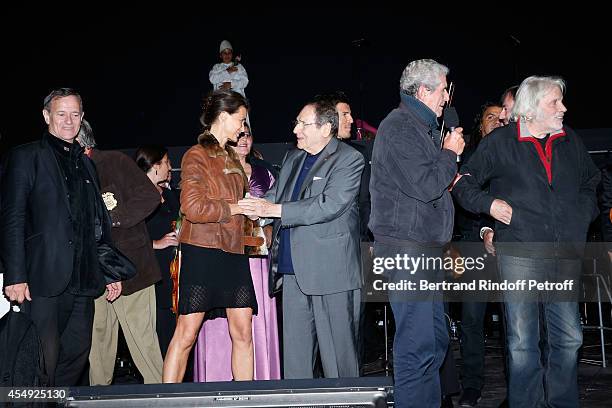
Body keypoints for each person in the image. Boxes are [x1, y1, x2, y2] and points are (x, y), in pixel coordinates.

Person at [452, 76, 600, 407]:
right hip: (519, 255)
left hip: (564, 254)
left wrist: (582, 214)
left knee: (569, 338)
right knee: (522, 342)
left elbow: (592, 179)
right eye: (555, 102)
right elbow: (463, 182)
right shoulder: (500, 142)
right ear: (531, 109)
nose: (563, 108)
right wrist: (488, 205)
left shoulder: (569, 139)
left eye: (561, 101)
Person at [0, 88, 122, 386]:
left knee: (76, 357)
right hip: (41, 279)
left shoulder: (86, 164)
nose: (69, 121)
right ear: (46, 116)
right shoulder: (26, 156)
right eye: (61, 113)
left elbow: (96, 224)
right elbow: (11, 218)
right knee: (42, 360)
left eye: (75, 114)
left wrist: (109, 271)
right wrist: (14, 276)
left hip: (82, 281)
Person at [238, 98, 365, 379]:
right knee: (295, 361)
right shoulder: (293, 157)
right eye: (296, 123)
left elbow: (328, 204)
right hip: (292, 270)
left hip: (330, 273)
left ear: (325, 128)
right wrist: (250, 208)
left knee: (337, 361)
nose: (295, 129)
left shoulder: (349, 159)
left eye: (302, 124)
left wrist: (273, 209)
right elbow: (277, 197)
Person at [368, 59, 465, 408]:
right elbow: (426, 185)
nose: (446, 98)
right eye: (443, 90)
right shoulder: (399, 128)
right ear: (423, 91)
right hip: (408, 253)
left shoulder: (420, 129)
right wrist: (450, 154)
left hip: (424, 252)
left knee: (434, 342)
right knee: (417, 348)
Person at [163, 89, 257, 383]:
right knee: (187, 333)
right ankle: (167, 401)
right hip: (202, 251)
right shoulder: (196, 154)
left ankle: (246, 398)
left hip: (233, 252)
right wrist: (235, 207)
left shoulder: (232, 156)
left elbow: (237, 205)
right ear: (224, 116)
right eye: (240, 120)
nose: (243, 128)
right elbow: (191, 207)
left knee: (243, 332)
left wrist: (251, 213)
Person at [77, 120, 164, 385]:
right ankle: (98, 400)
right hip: (94, 273)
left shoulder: (114, 162)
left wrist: (111, 219)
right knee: (98, 347)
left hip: (132, 270)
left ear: (79, 140)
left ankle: (163, 399)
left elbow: (150, 196)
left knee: (144, 344)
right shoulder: (69, 173)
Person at [194, 123, 281, 381]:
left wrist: (269, 230)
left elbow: (278, 209)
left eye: (248, 135)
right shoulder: (214, 168)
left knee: (254, 323)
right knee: (220, 321)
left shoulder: (266, 173)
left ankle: (259, 380)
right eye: (239, 134)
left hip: (256, 257)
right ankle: (217, 379)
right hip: (222, 253)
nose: (244, 140)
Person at [453, 103, 502, 407]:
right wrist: (485, 229)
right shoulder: (470, 160)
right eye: (490, 118)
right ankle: (471, 384)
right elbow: (462, 203)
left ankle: (521, 386)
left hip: (516, 245)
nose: (497, 122)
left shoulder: (517, 155)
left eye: (502, 118)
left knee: (518, 322)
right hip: (475, 245)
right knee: (472, 319)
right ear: (480, 126)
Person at [134, 145, 179, 359]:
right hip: (153, 275)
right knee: (158, 335)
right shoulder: (136, 197)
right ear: (155, 165)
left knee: (177, 335)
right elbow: (124, 236)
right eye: (167, 162)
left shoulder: (170, 196)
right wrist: (155, 243)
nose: (170, 166)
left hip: (175, 276)